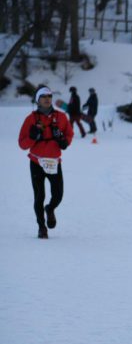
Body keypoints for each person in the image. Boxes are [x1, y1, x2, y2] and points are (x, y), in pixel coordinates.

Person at [18, 86, 74, 239]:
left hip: (54, 162)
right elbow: (22, 144)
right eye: (43, 96)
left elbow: (69, 134)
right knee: (39, 196)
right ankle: (42, 227)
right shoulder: (30, 119)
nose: (47, 99)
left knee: (58, 195)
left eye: (49, 96)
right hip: (36, 161)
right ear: (38, 100)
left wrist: (63, 140)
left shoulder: (61, 117)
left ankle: (50, 209)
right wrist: (32, 136)